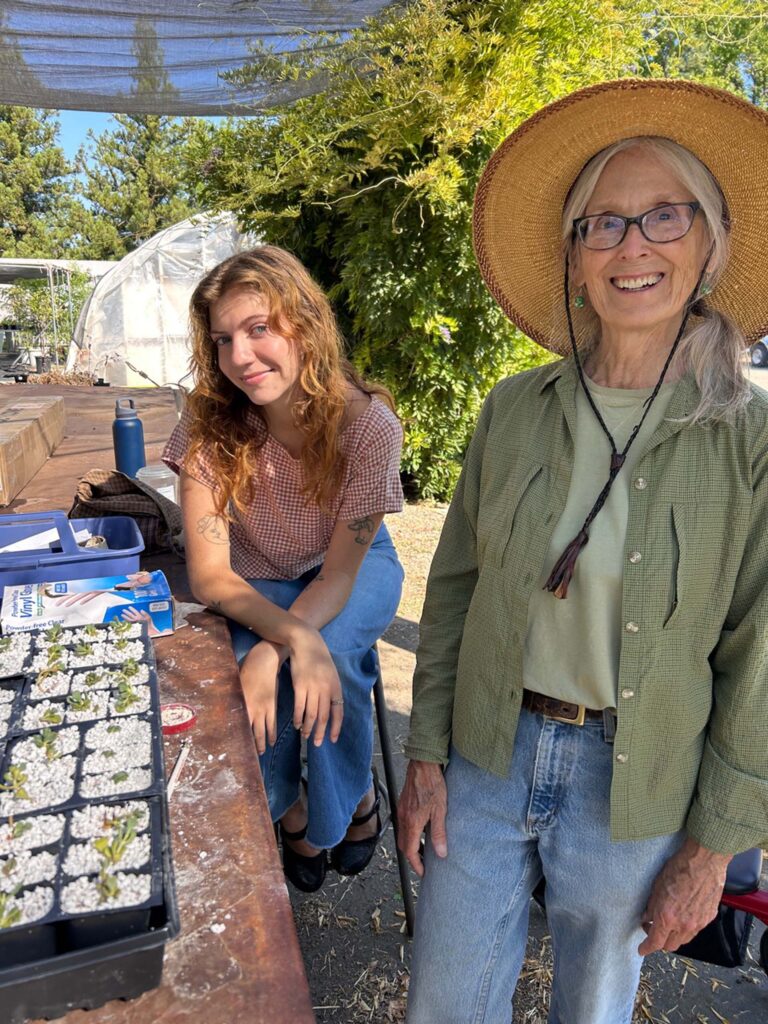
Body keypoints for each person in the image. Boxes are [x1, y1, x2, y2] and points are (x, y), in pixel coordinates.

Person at [399, 78, 768, 1023]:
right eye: (602, 224)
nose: (632, 245)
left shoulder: (749, 438)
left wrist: (711, 848)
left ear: (711, 245)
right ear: (573, 258)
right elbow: (455, 591)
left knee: (592, 1013)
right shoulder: (512, 410)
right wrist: (426, 754)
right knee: (446, 1004)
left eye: (664, 217)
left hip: (635, 783)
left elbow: (759, 658)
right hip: (487, 754)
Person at [162, 246, 404, 892]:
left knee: (330, 654)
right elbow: (210, 577)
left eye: (259, 328)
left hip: (348, 565)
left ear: (305, 324)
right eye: (223, 339)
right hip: (254, 574)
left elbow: (339, 578)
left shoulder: (368, 426)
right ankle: (291, 809)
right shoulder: (210, 424)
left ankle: (349, 801)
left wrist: (282, 646)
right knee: (242, 670)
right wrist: (283, 639)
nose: (240, 356)